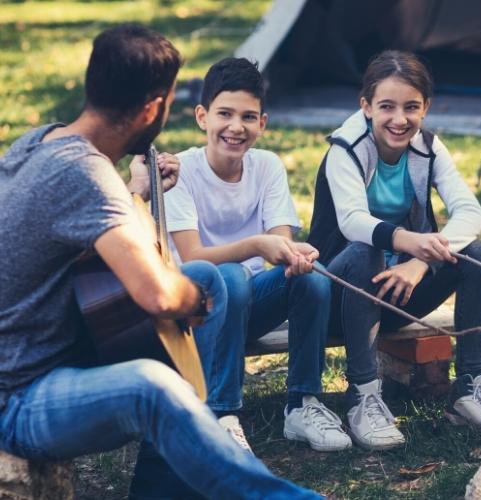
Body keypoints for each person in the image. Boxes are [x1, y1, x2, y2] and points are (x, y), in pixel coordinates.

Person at [0, 24, 320, 499]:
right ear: (154, 108)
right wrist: (200, 302)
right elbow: (159, 293)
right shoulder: (85, 175)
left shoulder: (40, 142)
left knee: (203, 271)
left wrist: (140, 193)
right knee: (154, 379)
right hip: (21, 395)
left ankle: (163, 480)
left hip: (58, 350)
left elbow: (100, 261)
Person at [307, 50, 481, 450]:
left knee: (476, 255)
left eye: (411, 107)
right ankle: (362, 395)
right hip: (341, 298)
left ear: (426, 107)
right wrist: (410, 243)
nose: (399, 119)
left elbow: (472, 214)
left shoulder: (427, 146)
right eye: (386, 107)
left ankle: (470, 388)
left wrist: (419, 263)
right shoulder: (345, 148)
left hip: (400, 293)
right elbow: (353, 221)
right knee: (363, 250)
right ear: (366, 107)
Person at [164, 57, 350, 452]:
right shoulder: (181, 171)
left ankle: (302, 403)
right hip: (197, 313)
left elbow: (280, 245)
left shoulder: (267, 166)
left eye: (248, 117)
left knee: (311, 276)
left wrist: (295, 254)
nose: (236, 127)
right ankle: (222, 413)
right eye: (224, 114)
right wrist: (256, 245)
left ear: (262, 123)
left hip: (248, 305)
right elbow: (193, 254)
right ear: (202, 117)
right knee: (229, 276)